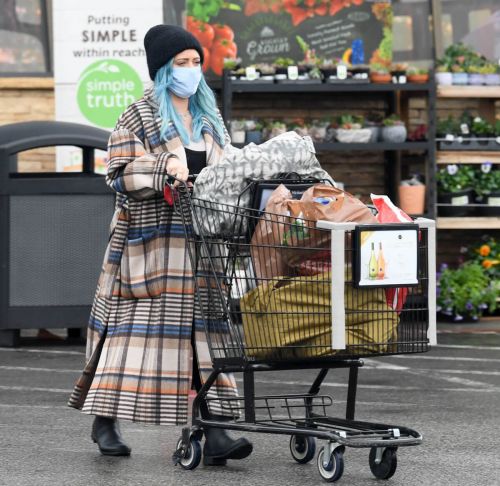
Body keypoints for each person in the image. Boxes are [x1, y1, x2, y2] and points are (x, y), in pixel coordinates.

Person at [68, 24, 252, 466]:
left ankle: (213, 430)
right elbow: (118, 172)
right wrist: (162, 166)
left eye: (195, 62)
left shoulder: (208, 115)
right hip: (149, 246)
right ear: (163, 70)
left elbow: (225, 168)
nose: (191, 71)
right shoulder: (139, 114)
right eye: (181, 64)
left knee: (200, 336)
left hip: (202, 244)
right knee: (127, 338)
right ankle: (105, 420)